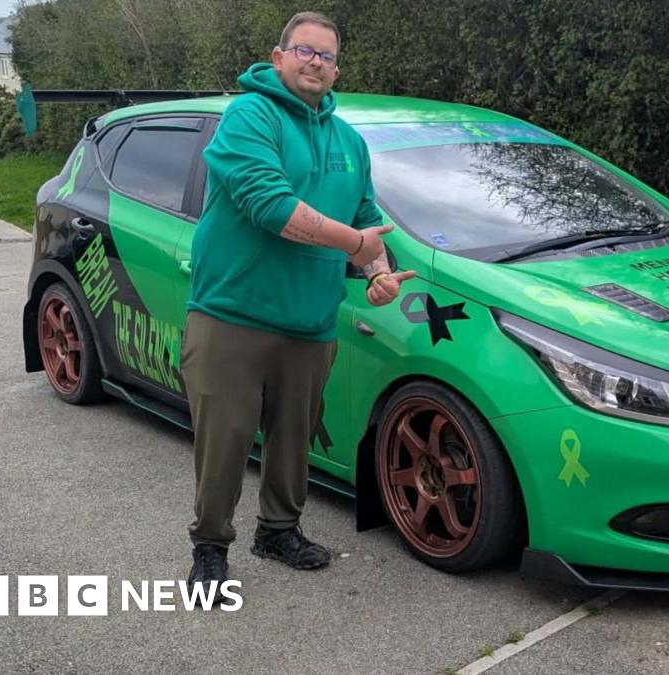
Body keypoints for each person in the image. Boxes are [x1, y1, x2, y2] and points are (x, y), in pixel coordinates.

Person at [181, 11, 416, 600]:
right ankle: (210, 547)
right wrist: (356, 246)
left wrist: (379, 274)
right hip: (232, 313)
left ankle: (278, 532)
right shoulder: (249, 116)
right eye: (305, 51)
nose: (316, 62)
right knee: (225, 441)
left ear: (337, 69)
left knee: (294, 439)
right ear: (279, 56)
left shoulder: (350, 141)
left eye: (327, 56)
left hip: (310, 321)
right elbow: (270, 205)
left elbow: (367, 218)